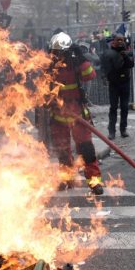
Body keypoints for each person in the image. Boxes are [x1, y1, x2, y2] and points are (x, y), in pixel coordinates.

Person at [47, 32, 104, 195]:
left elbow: (90, 75)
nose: (57, 55)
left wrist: (82, 60)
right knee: (62, 150)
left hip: (78, 114)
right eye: (54, 52)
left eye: (60, 52)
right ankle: (67, 179)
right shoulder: (49, 64)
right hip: (58, 114)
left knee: (86, 149)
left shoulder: (75, 62)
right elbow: (43, 86)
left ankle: (94, 182)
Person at [100, 33, 135, 139]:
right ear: (113, 41)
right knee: (113, 107)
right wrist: (104, 78)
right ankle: (112, 131)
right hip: (114, 84)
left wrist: (125, 55)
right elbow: (103, 67)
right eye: (118, 40)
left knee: (124, 107)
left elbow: (131, 64)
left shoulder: (126, 53)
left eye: (122, 40)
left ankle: (123, 129)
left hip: (125, 83)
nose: (120, 42)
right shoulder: (108, 53)